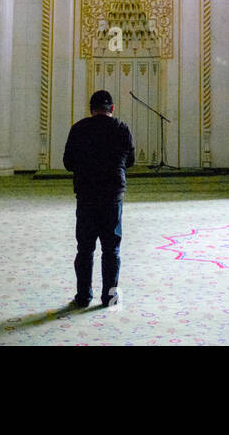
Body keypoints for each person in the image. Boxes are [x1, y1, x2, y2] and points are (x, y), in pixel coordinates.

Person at [62, 89, 136, 308]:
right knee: (111, 249)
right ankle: (110, 297)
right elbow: (130, 160)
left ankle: (84, 297)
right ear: (112, 109)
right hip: (113, 195)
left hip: (86, 194)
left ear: (91, 109)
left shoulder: (79, 129)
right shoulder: (122, 128)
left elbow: (68, 162)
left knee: (85, 248)